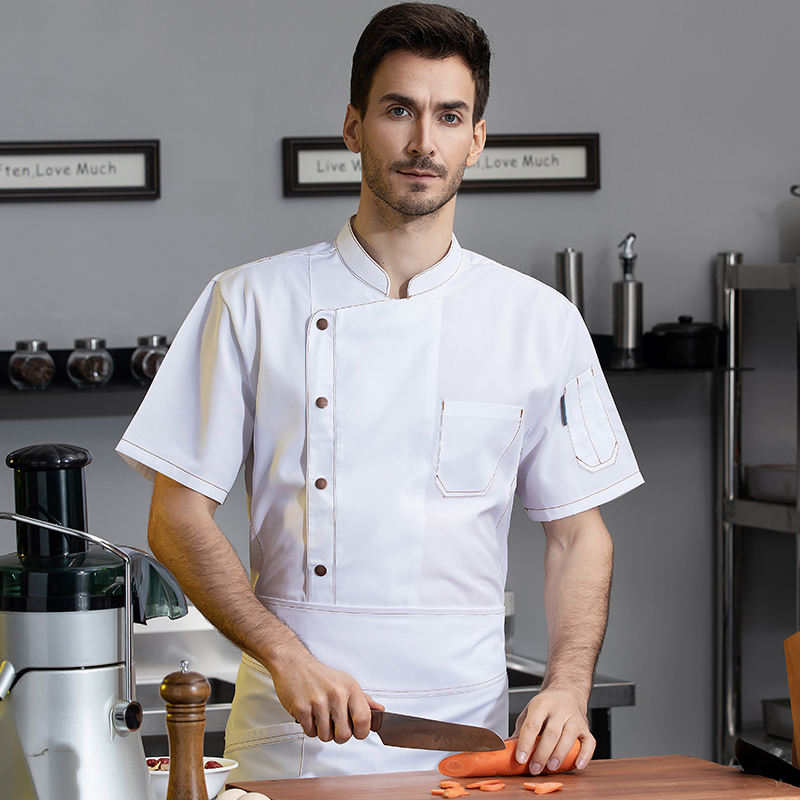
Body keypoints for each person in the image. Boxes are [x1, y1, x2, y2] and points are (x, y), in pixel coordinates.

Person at [117, 2, 643, 782]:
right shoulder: (252, 301)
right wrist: (286, 656)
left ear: (477, 139)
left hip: (468, 741)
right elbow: (176, 516)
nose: (424, 141)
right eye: (399, 110)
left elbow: (579, 536)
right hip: (295, 739)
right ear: (353, 127)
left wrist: (568, 687)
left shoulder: (538, 321)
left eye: (449, 116)